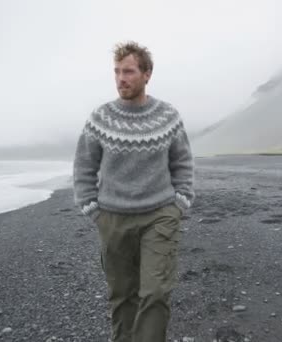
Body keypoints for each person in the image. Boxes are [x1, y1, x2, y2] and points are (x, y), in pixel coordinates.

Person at [73, 41, 195, 342]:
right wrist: (92, 209)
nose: (120, 79)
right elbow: (84, 167)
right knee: (122, 297)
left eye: (128, 71)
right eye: (116, 72)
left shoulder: (167, 116)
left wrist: (180, 203)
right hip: (112, 220)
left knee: (155, 292)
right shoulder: (101, 119)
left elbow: (182, 162)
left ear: (147, 74)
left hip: (160, 216)